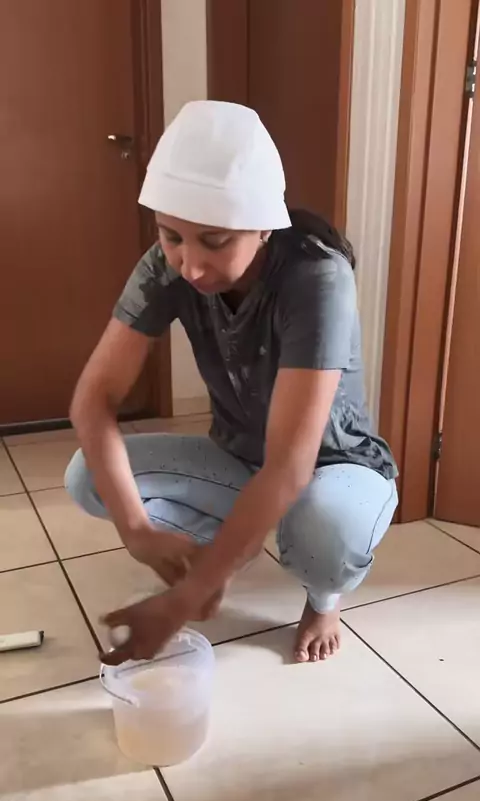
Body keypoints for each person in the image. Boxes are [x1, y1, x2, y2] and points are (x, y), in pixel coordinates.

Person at [66, 100, 398, 667]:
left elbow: (290, 466)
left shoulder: (316, 276)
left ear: (264, 225)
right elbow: (93, 400)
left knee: (323, 528)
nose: (190, 265)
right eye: (171, 236)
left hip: (334, 467)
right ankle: (224, 552)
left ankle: (324, 598)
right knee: (88, 476)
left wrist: (183, 601)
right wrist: (137, 531)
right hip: (241, 456)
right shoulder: (164, 266)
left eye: (214, 241)